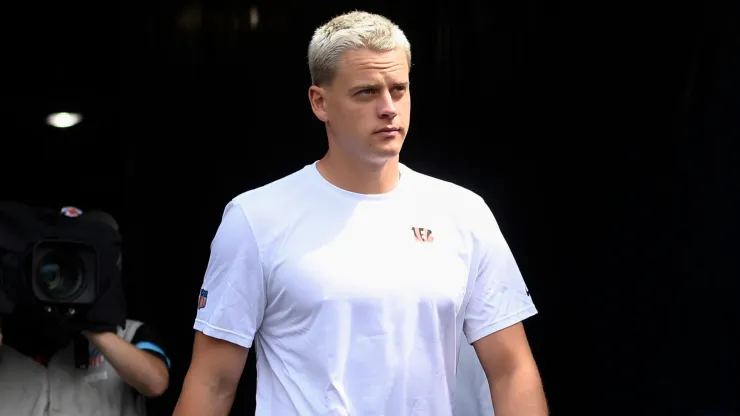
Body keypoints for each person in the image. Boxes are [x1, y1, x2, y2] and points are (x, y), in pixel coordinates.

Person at [174, 10, 547, 416]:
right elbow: (212, 383)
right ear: (320, 102)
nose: (388, 107)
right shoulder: (255, 218)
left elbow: (511, 368)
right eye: (366, 92)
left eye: (399, 89)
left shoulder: (463, 213)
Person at [0, 206, 171, 416]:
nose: (57, 280)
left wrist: (92, 322)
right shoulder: (6, 336)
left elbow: (155, 383)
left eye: (71, 269)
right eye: (47, 269)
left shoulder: (130, 333)